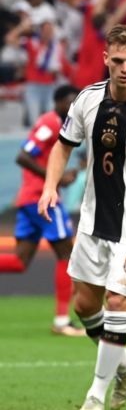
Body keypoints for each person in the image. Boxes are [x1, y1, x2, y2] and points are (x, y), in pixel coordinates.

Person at [37, 25, 126, 410]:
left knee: (118, 300)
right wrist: (50, 188)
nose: (125, 68)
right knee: (85, 305)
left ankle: (96, 394)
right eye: (118, 60)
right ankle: (125, 362)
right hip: (92, 220)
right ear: (106, 59)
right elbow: (62, 147)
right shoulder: (87, 99)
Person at [0, 84, 82, 336]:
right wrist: (53, 179)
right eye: (69, 102)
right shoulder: (50, 123)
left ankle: (62, 321)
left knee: (19, 261)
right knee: (66, 253)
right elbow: (23, 156)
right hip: (42, 198)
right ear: (57, 102)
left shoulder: (62, 125)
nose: (73, 108)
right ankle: (61, 322)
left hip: (29, 198)